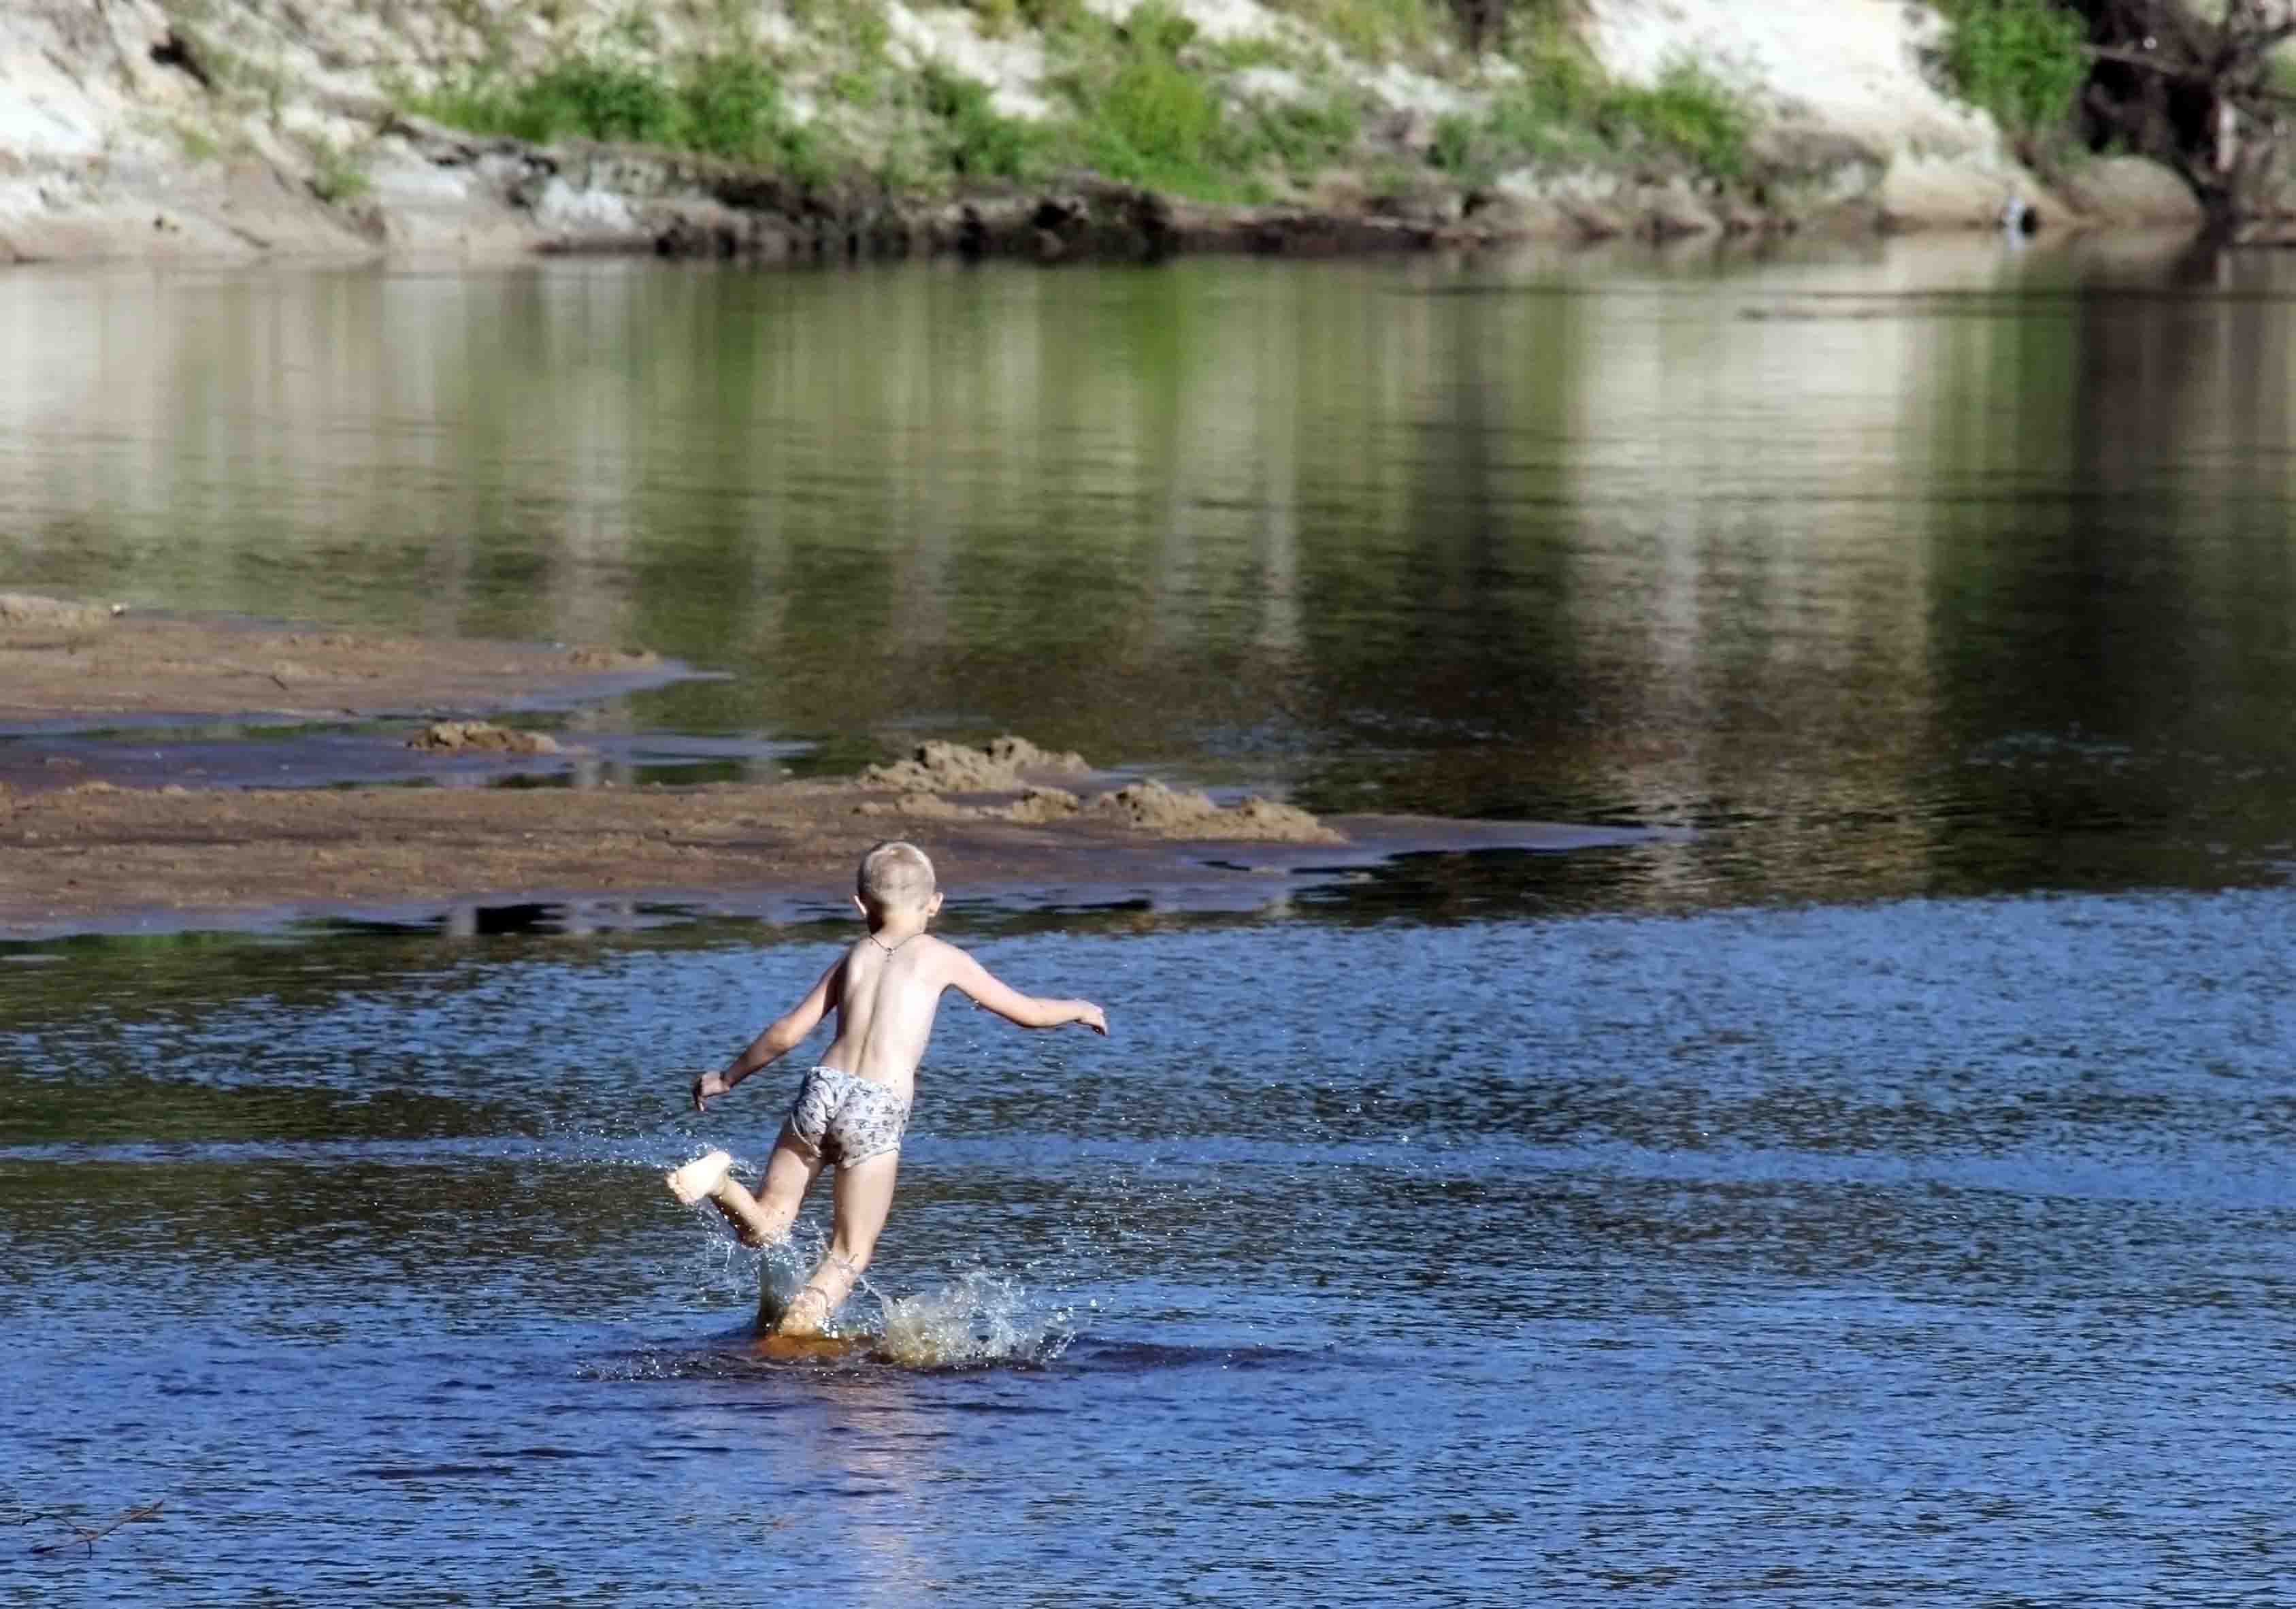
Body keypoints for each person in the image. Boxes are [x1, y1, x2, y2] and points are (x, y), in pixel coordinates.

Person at [666, 839, 1108, 1337]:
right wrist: (1077, 1008)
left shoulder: (854, 956)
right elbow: (1026, 1013)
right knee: (848, 1253)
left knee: (767, 1225)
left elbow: (789, 1032)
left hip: (822, 1090)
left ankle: (721, 1184)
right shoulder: (943, 958)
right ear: (934, 903)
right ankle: (792, 1341)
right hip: (876, 1106)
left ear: (860, 906)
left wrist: (727, 1078)